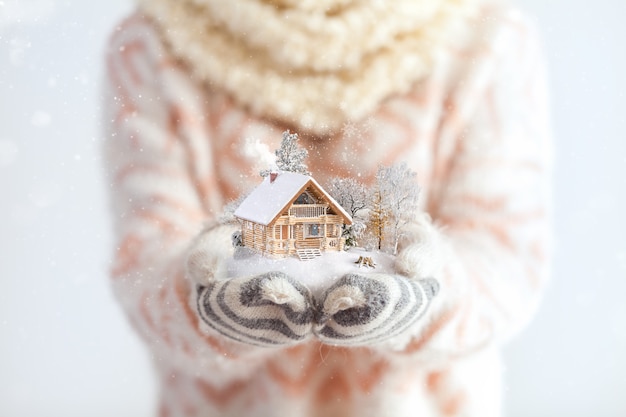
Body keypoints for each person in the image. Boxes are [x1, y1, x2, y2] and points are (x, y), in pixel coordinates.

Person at [103, 0, 552, 415]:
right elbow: (144, 262)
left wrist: (431, 296)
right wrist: (206, 300)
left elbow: (507, 260)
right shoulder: (153, 41)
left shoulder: (485, 36)